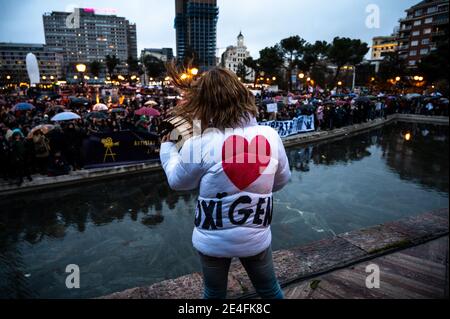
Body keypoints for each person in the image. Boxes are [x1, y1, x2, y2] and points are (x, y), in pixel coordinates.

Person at [160, 65, 291, 299]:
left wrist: (167, 148)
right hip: (255, 235)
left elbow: (178, 182)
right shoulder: (270, 135)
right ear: (242, 95)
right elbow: (282, 181)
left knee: (213, 293)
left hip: (213, 240)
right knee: (270, 290)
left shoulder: (200, 142)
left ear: (202, 103)